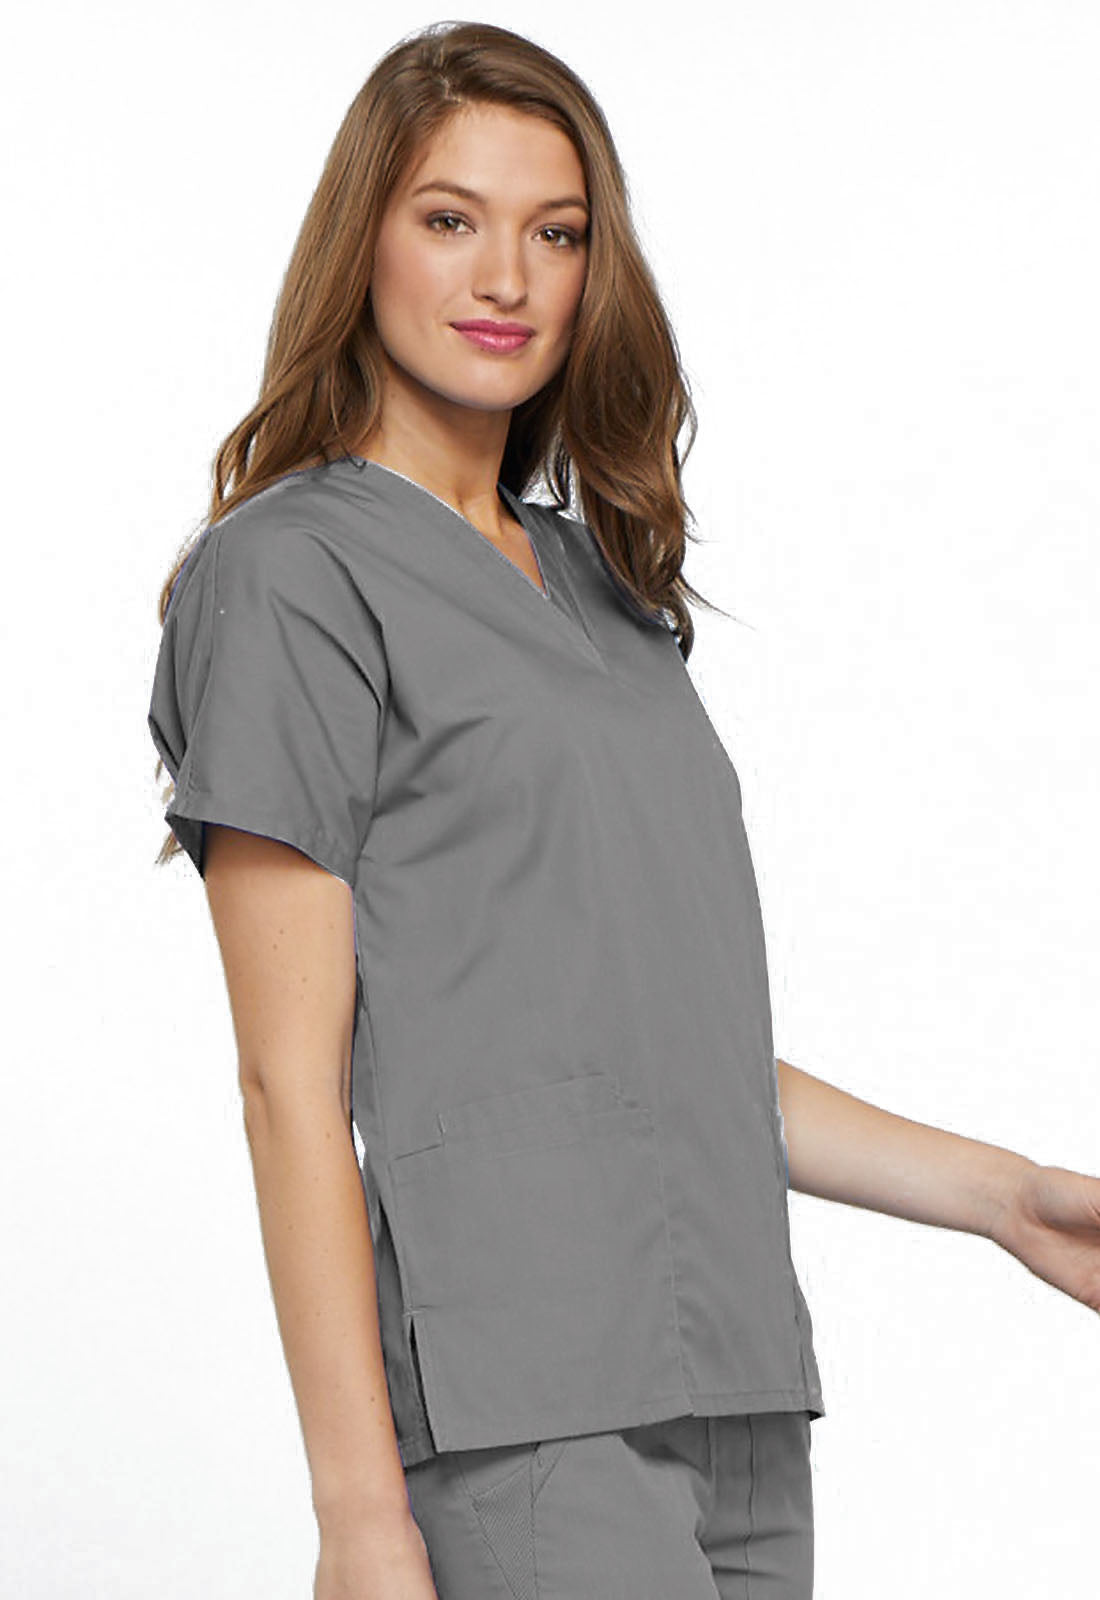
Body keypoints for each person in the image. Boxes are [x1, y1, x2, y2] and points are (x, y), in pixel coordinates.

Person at [147, 21, 1100, 1600]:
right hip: (524, 1414)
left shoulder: (601, 583)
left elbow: (663, 1062)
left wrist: (1008, 1200)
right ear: (363, 242)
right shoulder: (292, 577)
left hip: (738, 1391)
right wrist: (358, 1517)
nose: (506, 277)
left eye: (557, 232)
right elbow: (286, 1084)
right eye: (450, 218)